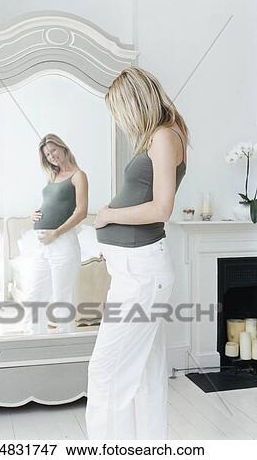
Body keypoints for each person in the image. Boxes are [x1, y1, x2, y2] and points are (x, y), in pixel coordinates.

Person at [85, 67, 189, 439]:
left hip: (141, 271)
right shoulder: (161, 135)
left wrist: (110, 215)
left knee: (106, 371)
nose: (120, 121)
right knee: (144, 372)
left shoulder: (163, 136)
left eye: (119, 111)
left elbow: (162, 208)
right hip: (134, 269)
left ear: (134, 102)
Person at [23, 133, 88, 334]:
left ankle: (63, 345)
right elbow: (51, 204)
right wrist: (34, 214)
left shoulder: (78, 175)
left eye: (53, 151)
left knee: (62, 298)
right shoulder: (52, 176)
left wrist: (56, 233)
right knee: (34, 295)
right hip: (42, 242)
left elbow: (82, 211)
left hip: (62, 242)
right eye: (47, 155)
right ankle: (33, 342)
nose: (51, 156)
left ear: (63, 148)